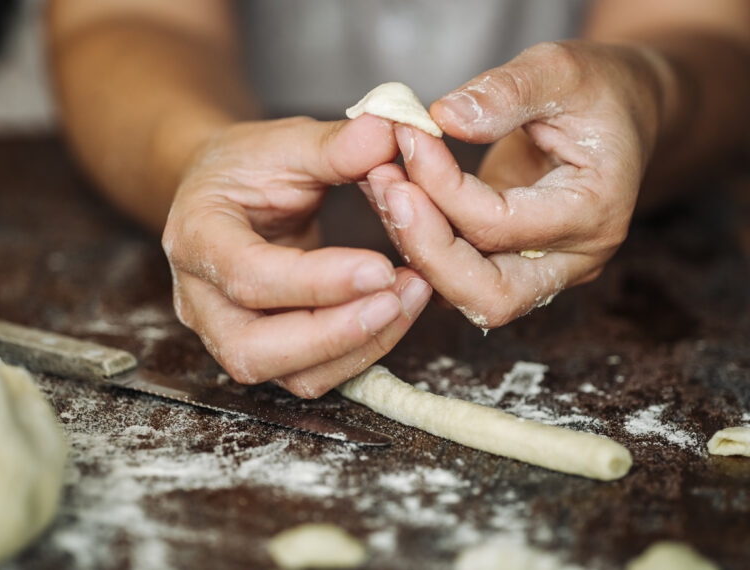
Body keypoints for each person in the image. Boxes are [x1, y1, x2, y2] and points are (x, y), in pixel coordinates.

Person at [46, 0, 750, 398]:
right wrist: (192, 156)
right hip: (176, 104)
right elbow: (124, 18)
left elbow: (710, 31)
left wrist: (648, 91)